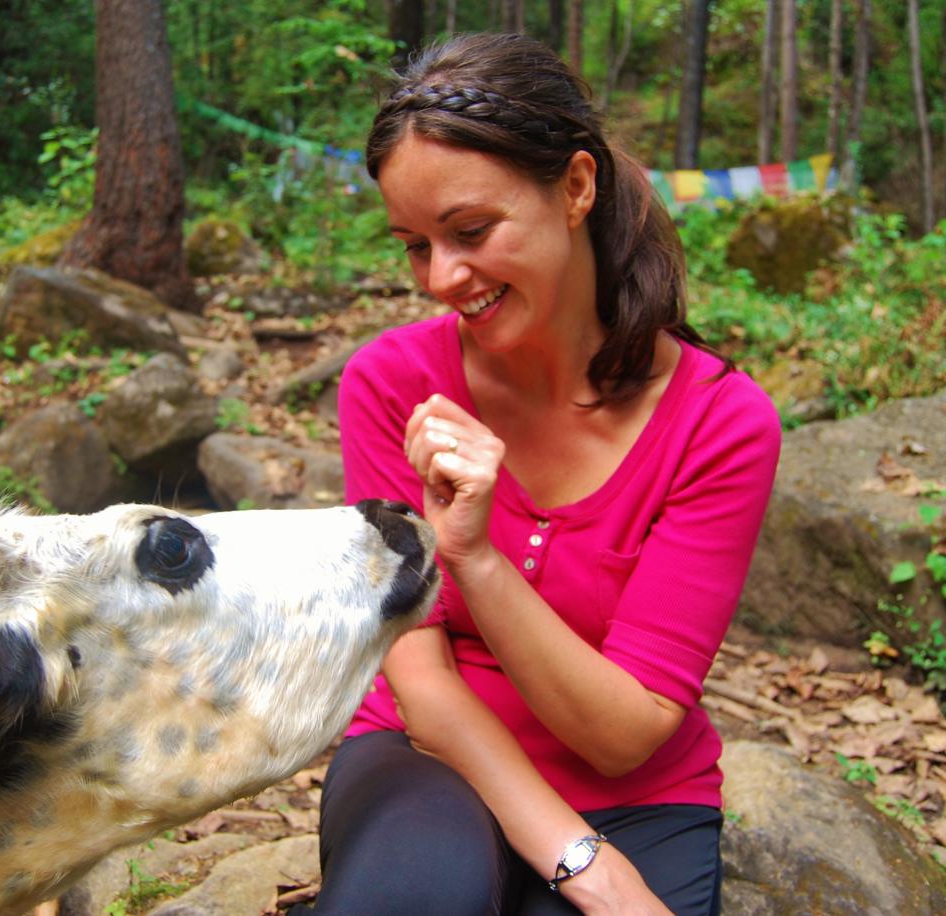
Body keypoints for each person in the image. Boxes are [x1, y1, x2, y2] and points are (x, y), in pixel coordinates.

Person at [304, 32, 782, 916]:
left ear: (575, 186)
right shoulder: (391, 386)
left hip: (638, 792)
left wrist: (476, 558)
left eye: (471, 231)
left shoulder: (719, 423)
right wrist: (584, 866)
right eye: (414, 244)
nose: (442, 278)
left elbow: (623, 732)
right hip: (427, 759)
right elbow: (417, 672)